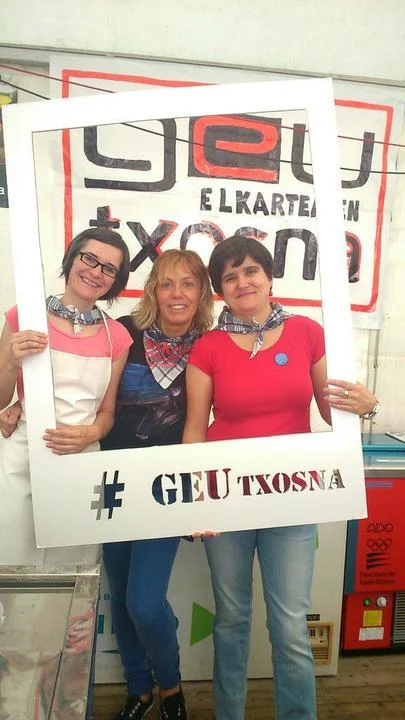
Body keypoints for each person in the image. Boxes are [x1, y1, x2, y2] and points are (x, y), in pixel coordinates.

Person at [183, 235, 378, 720]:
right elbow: (195, 430)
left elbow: (334, 413)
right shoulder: (207, 347)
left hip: (291, 498)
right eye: (230, 277)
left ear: (269, 277)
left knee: (290, 625)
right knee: (231, 620)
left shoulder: (307, 333)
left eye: (251, 271)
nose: (242, 282)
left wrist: (366, 405)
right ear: (220, 291)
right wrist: (196, 500)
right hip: (225, 497)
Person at [100, 249, 213, 720]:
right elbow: (79, 385)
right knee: (121, 596)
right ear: (153, 291)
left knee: (144, 602)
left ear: (202, 293)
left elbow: (232, 415)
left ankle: (170, 685)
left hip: (168, 490)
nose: (176, 294)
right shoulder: (123, 332)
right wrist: (19, 403)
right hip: (110, 485)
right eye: (167, 283)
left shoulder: (211, 345)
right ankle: (139, 689)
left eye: (187, 284)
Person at [0, 227, 133, 566]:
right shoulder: (24, 316)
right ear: (71, 259)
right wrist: (10, 361)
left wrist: (90, 433)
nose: (96, 272)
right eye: (89, 258)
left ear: (116, 281)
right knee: (12, 564)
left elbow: (107, 413)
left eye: (109, 268)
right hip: (21, 460)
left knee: (73, 570)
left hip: (81, 463)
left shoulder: (117, 336)